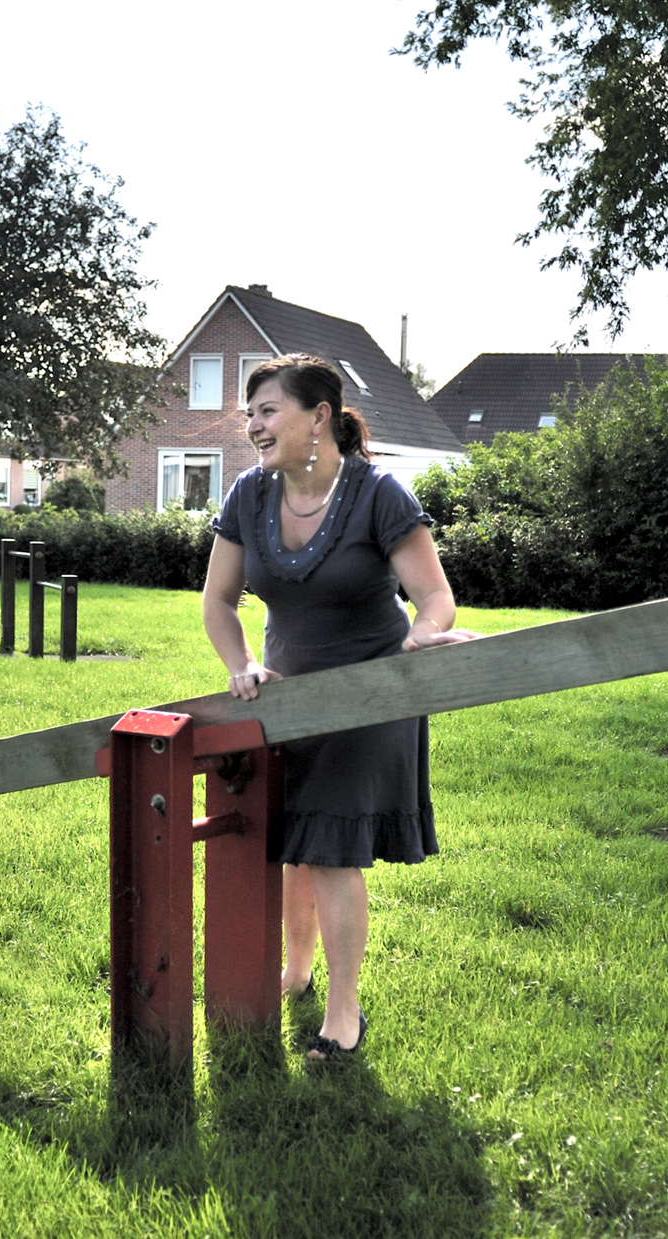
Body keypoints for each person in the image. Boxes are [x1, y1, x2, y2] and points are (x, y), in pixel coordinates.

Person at [202, 353, 479, 1060]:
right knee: (292, 847)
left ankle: (343, 1013)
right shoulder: (248, 495)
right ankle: (294, 971)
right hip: (286, 698)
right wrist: (241, 666)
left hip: (370, 694)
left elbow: (436, 598)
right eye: (251, 412)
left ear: (319, 416)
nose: (254, 425)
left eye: (268, 410)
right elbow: (218, 601)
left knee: (328, 851)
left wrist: (423, 635)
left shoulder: (378, 493)